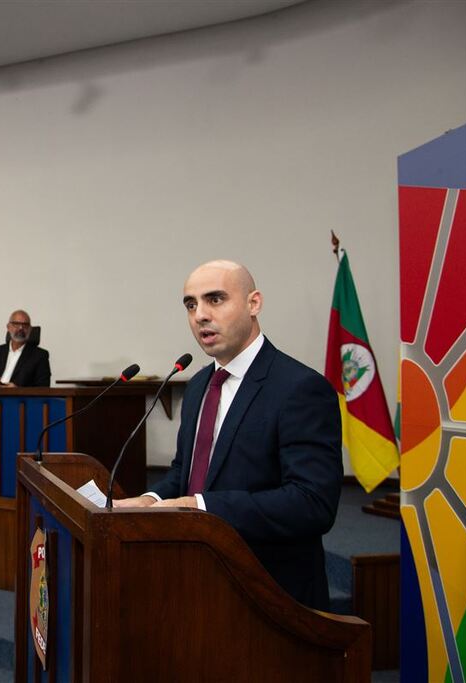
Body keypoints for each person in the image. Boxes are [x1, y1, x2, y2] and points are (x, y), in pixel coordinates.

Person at [114, 260, 342, 611]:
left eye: (215, 299)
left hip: (270, 593)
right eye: (191, 305)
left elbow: (312, 503)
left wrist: (200, 507)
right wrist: (150, 500)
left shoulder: (300, 388)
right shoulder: (199, 384)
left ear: (254, 304)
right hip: (197, 578)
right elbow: (184, 473)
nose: (200, 315)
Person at [0, 309, 51, 388]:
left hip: (18, 399)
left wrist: (17, 390)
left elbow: (43, 388)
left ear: (30, 329)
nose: (21, 328)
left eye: (25, 325)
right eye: (16, 324)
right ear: (8, 327)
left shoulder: (40, 356)